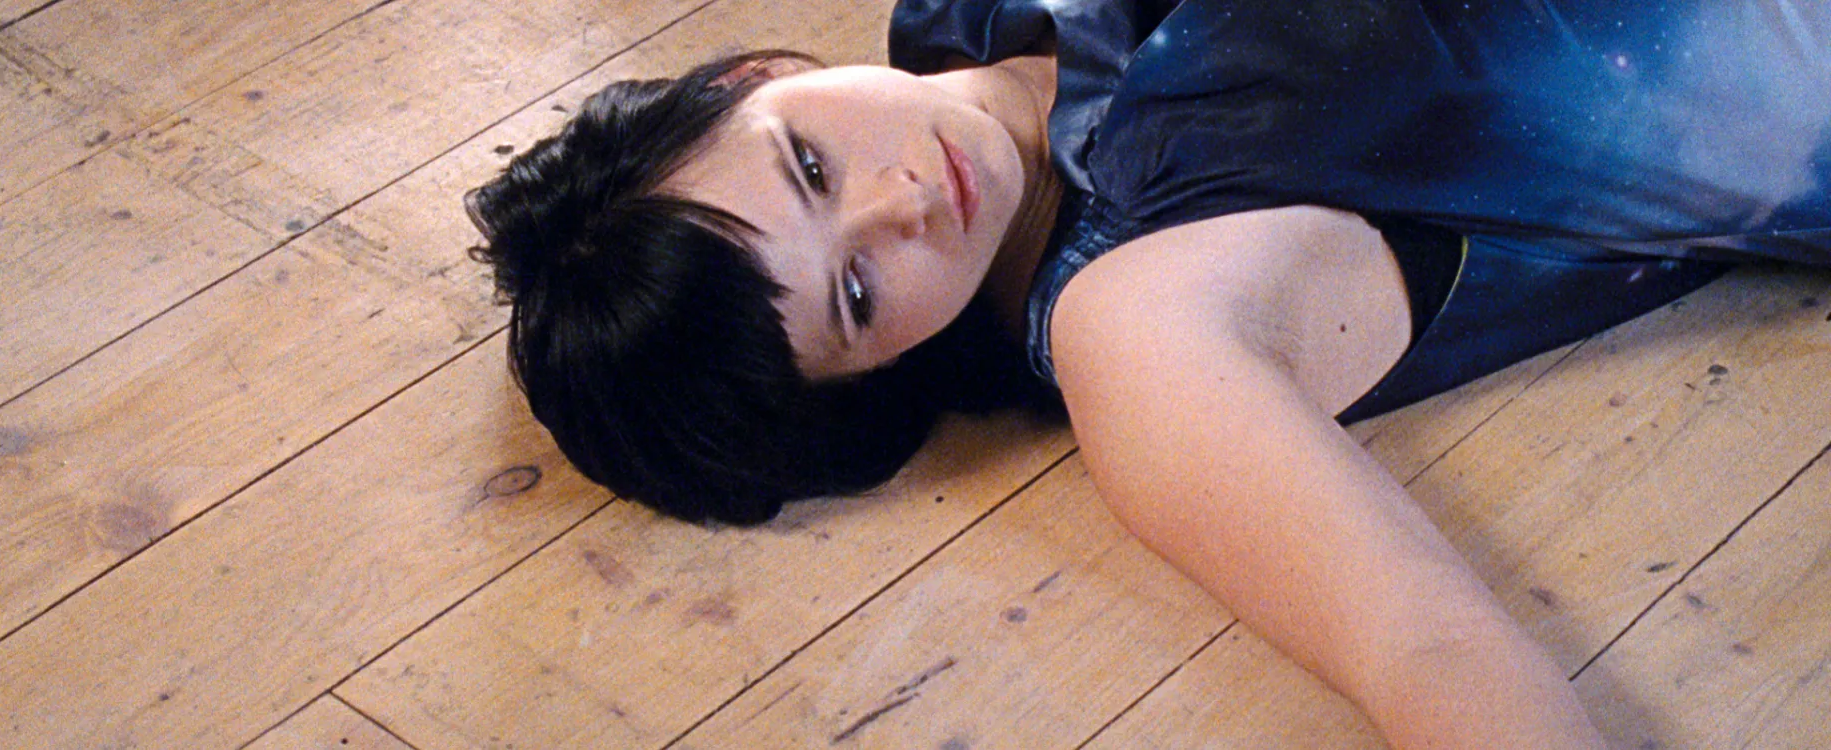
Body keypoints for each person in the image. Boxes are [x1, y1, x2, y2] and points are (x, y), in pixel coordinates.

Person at [462, 1, 1831, 746]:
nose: (901, 205)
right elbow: (1424, 649)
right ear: (879, 372)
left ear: (757, 74)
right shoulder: (1133, 328)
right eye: (859, 296)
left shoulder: (967, 17)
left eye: (809, 164)